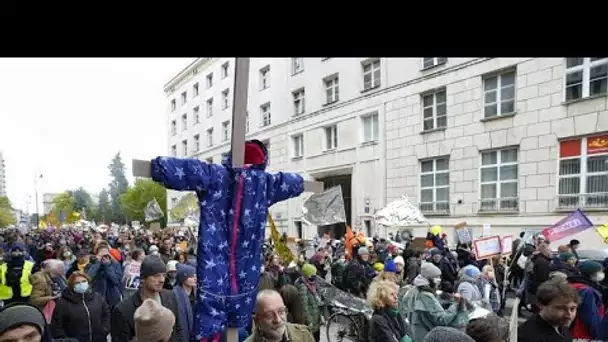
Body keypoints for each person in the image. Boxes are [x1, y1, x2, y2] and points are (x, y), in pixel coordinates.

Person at [111, 255, 183, 342]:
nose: (162, 280)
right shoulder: (123, 309)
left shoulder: (170, 296)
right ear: (143, 278)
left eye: (163, 275)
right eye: (156, 276)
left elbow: (178, 329)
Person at [400, 262, 471, 341]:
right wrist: (455, 304)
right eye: (437, 277)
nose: (439, 280)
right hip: (425, 337)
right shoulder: (426, 296)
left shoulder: (413, 290)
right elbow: (443, 320)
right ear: (429, 278)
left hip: (414, 334)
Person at [50, 271, 110, 342]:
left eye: (84, 281)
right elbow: (57, 326)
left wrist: (104, 330)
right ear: (72, 286)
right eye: (77, 283)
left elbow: (106, 314)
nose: (81, 284)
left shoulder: (97, 298)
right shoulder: (63, 303)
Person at [244, 289, 314, 342]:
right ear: (257, 319)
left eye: (281, 311)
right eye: (269, 315)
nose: (278, 320)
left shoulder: (304, 335)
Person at [566, 260, 608, 340]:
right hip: (584, 333)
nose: (602, 274)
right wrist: (598, 336)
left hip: (571, 330)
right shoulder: (587, 291)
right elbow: (591, 318)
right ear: (591, 273)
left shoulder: (572, 284)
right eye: (600, 271)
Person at [87, 244, 124, 308]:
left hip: (112, 297)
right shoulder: (92, 263)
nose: (103, 256)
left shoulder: (115, 263)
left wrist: (107, 265)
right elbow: (89, 277)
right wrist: (97, 263)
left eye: (105, 253)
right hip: (97, 295)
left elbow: (116, 280)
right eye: (101, 253)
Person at [295, 263, 322, 342]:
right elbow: (304, 306)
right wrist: (309, 321)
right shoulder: (303, 287)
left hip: (316, 319)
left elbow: (316, 301)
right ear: (308, 275)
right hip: (311, 322)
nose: (315, 275)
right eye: (314, 274)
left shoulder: (312, 284)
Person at [173, 263, 196, 342]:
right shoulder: (174, 294)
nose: (195, 278)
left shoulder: (198, 294)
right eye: (191, 276)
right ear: (183, 278)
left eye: (195, 276)